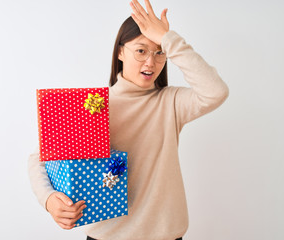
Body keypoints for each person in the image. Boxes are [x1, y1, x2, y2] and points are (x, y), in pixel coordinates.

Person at [28, 0, 229, 239]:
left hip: (167, 234)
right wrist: (49, 199)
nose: (150, 63)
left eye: (159, 53)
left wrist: (169, 39)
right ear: (121, 51)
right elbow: (40, 158)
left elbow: (216, 91)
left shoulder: (171, 102)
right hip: (107, 234)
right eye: (141, 50)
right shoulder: (94, 104)